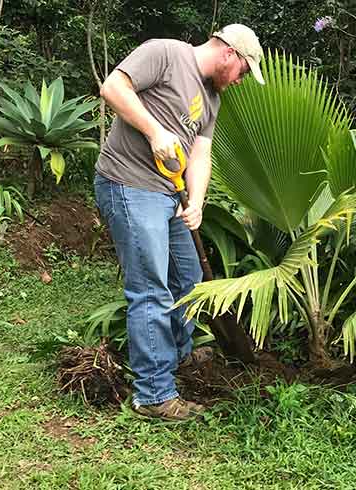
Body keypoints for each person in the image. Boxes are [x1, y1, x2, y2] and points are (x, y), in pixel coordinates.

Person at [93, 24, 265, 421]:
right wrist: (154, 131)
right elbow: (113, 88)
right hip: (129, 184)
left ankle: (178, 356)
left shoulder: (212, 97)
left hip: (169, 196)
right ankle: (153, 395)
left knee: (189, 283)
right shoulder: (165, 52)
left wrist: (199, 202)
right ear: (229, 55)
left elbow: (200, 155)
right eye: (243, 71)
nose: (240, 81)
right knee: (151, 288)